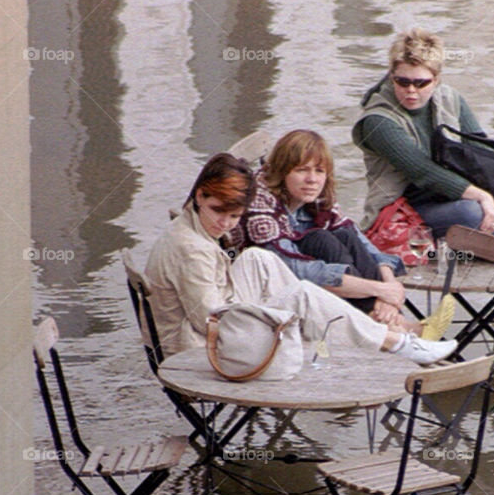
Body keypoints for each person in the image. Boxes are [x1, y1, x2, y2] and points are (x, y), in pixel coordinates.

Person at [144, 152, 456, 366]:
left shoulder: (189, 225)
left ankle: (383, 333)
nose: (225, 223)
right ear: (200, 196)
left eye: (234, 216)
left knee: (257, 259)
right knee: (302, 294)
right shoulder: (191, 249)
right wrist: (277, 311)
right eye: (218, 212)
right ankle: (395, 342)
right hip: (201, 353)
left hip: (208, 326)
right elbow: (210, 321)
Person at [352, 27, 494, 249]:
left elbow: (483, 154)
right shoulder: (379, 121)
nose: (411, 90)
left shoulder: (450, 98)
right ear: (392, 77)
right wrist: (485, 198)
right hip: (415, 207)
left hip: (467, 190)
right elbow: (424, 173)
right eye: (402, 82)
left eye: (421, 83)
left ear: (436, 79)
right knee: (471, 212)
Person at [231, 129, 410, 329]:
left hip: (308, 287)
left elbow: (362, 241)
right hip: (260, 289)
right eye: (301, 170)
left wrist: (389, 287)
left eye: (319, 171)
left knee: (345, 235)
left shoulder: (318, 198)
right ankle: (396, 327)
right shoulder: (260, 202)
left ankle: (392, 321)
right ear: (282, 171)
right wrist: (379, 290)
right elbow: (294, 269)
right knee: (322, 239)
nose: (312, 179)